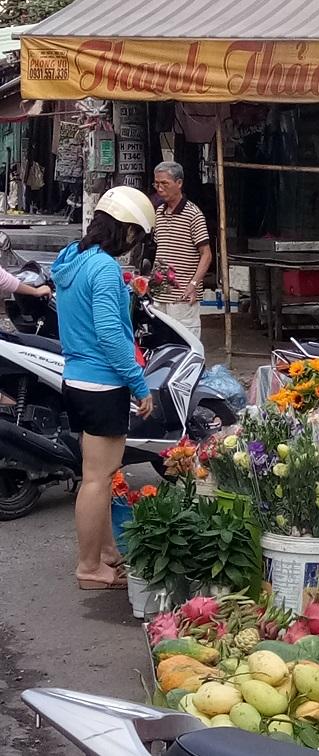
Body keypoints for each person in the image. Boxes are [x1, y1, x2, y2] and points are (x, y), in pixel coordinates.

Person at [51, 187, 156, 590]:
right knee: (97, 478)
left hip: (76, 377)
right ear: (126, 232)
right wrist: (138, 384)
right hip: (101, 382)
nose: (135, 243)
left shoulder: (72, 259)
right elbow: (112, 335)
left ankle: (107, 553)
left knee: (98, 472)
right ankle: (89, 567)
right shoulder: (105, 270)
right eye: (136, 235)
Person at [152, 161, 211, 341]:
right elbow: (160, 251)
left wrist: (193, 285)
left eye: (165, 183)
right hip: (159, 293)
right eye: (157, 184)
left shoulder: (193, 214)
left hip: (183, 294)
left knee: (185, 342)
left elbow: (206, 254)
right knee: (160, 342)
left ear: (179, 183)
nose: (160, 188)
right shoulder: (159, 213)